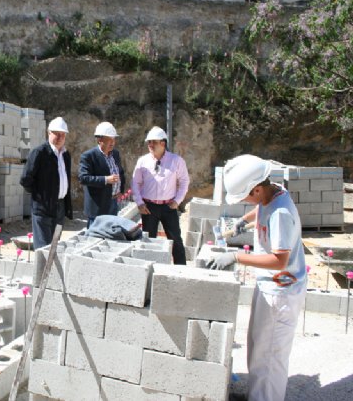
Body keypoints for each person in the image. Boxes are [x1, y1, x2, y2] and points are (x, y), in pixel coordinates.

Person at [205, 154, 306, 401]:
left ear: (258, 188)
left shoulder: (281, 214)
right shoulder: (274, 192)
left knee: (269, 358)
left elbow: (279, 260)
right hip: (269, 285)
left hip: (281, 292)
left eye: (246, 197)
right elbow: (262, 206)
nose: (246, 202)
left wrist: (237, 257)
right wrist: (243, 220)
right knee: (258, 349)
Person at [131, 126, 189, 265]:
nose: (150, 145)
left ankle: (181, 269)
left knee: (175, 240)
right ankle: (148, 269)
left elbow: (184, 181)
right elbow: (135, 182)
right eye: (149, 142)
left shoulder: (176, 161)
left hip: (168, 207)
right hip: (148, 207)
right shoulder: (142, 161)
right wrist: (139, 202)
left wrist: (177, 201)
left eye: (154, 142)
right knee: (148, 241)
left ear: (163, 143)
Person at [20, 116, 73, 249]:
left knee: (54, 246)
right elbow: (25, 179)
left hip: (59, 207)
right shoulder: (39, 153)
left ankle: (50, 270)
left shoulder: (65, 155)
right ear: (49, 133)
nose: (60, 137)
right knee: (43, 248)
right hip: (43, 207)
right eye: (57, 134)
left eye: (63, 134)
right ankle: (40, 270)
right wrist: (40, 196)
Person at [79, 121, 125, 228]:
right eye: (109, 139)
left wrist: (120, 190)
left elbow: (121, 172)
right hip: (97, 206)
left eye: (114, 139)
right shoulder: (89, 156)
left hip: (113, 202)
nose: (112, 142)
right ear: (100, 140)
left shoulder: (115, 154)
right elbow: (83, 178)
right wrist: (105, 179)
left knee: (110, 236)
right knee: (95, 236)